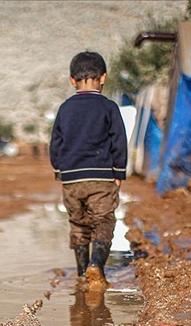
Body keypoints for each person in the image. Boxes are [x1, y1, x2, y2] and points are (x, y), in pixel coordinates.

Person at [50, 51, 127, 291]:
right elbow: (119, 141)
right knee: (103, 221)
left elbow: (55, 143)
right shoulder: (109, 107)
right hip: (101, 176)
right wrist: (119, 172)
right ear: (103, 78)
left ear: (72, 80)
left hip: (71, 178)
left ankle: (83, 274)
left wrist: (59, 169)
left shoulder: (65, 108)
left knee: (79, 225)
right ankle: (97, 265)